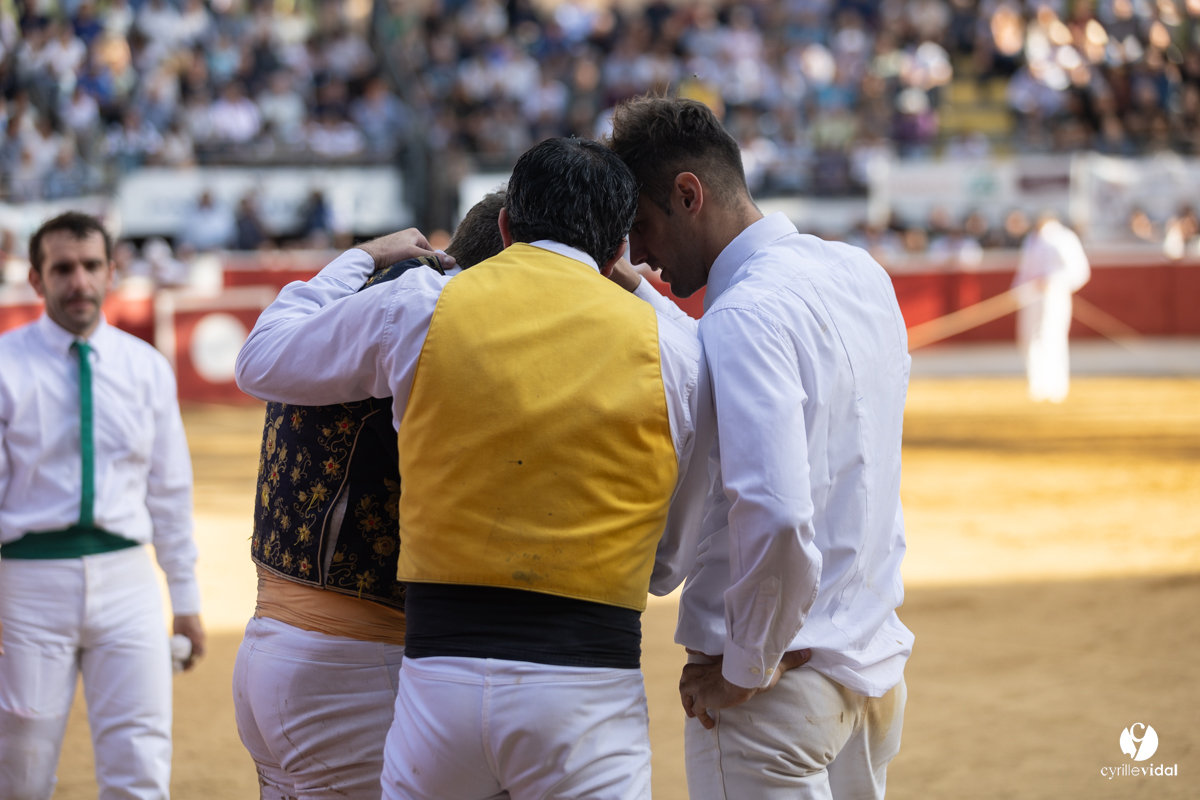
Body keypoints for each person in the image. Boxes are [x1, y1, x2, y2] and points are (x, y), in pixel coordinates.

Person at [235, 137, 702, 800]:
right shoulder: (671, 347)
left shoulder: (416, 306)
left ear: (509, 228)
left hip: (430, 677)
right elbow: (669, 562)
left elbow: (260, 361)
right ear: (619, 252)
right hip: (585, 685)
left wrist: (362, 256)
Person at [607, 95, 912, 800]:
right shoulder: (861, 274)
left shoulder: (742, 315)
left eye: (642, 228)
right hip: (871, 671)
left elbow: (775, 514)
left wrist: (744, 667)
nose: (640, 254)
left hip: (772, 698)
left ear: (689, 195)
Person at [232, 191, 506, 800]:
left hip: (266, 650)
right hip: (355, 666)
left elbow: (261, 343)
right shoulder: (440, 329)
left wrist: (359, 256)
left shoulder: (319, 318)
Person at [0, 212, 206, 800]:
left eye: (91, 266)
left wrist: (186, 599)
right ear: (36, 281)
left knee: (140, 763)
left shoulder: (145, 368)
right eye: (62, 269)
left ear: (112, 272)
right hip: (25, 585)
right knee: (19, 767)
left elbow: (169, 490)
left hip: (128, 582)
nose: (79, 282)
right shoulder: (4, 366)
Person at [1012, 213, 1091, 403]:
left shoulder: (1064, 238)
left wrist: (1055, 282)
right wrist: (1017, 293)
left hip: (1054, 295)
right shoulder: (1031, 240)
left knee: (1052, 337)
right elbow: (1025, 271)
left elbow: (1079, 271)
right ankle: (1037, 384)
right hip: (1031, 295)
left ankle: (1056, 386)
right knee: (1029, 338)